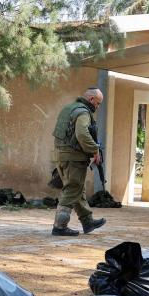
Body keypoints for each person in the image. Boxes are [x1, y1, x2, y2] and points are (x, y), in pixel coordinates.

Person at [50, 87, 107, 236]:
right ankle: (60, 226)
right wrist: (94, 149)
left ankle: (87, 221)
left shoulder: (69, 108)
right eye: (98, 103)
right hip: (73, 157)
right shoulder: (83, 112)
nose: (97, 107)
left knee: (77, 189)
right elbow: (82, 133)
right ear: (91, 100)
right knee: (72, 189)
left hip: (61, 155)